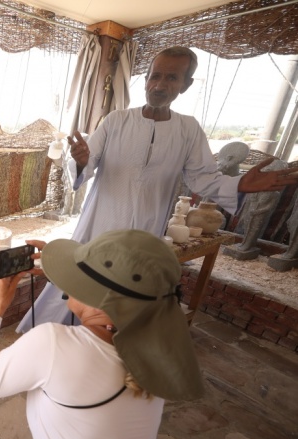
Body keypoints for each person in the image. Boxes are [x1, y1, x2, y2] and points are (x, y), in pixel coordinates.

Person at [18, 46, 298, 332]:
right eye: (155, 76)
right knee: (79, 281)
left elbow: (203, 178)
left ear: (185, 85)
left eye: (172, 78)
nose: (159, 85)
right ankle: (51, 336)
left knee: (126, 290)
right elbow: (86, 166)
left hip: (145, 231)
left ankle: (107, 347)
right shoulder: (117, 120)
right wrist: (80, 161)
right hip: (100, 223)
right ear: (147, 79)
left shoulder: (188, 129)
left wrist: (240, 184)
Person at [0, 229, 203, 439]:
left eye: (81, 278)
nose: (71, 281)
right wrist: (63, 266)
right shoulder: (161, 353)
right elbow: (119, 300)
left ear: (99, 299)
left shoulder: (53, 344)